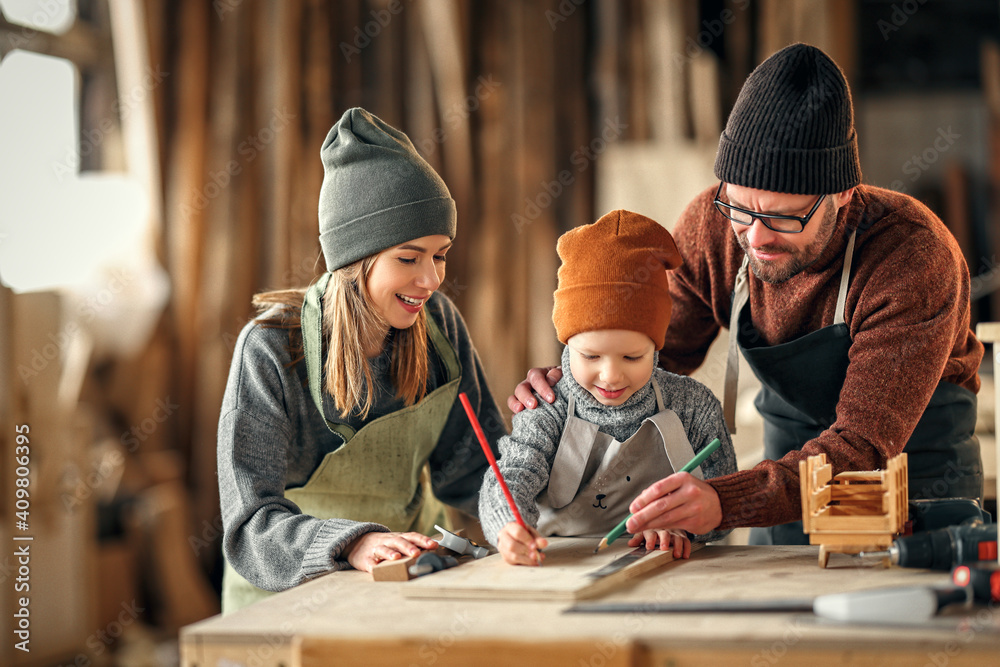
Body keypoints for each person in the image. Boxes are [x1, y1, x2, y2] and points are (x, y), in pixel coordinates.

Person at [512, 43, 984, 545]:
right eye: (740, 207)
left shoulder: (912, 255)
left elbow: (863, 445)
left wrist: (724, 500)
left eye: (783, 217)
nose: (755, 238)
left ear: (843, 193)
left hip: (911, 478)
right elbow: (654, 360)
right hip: (782, 471)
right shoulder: (712, 228)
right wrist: (574, 384)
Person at [217, 108, 505, 612]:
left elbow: (477, 470)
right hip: (285, 599)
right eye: (409, 258)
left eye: (440, 255)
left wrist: (536, 494)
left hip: (408, 584)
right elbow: (251, 525)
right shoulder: (268, 351)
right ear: (356, 258)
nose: (432, 280)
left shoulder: (440, 327)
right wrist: (351, 543)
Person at [480, 210, 737, 566]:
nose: (611, 376)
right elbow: (513, 475)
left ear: (657, 348)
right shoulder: (547, 406)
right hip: (558, 568)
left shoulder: (694, 406)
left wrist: (686, 528)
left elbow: (728, 500)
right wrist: (509, 526)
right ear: (567, 346)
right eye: (590, 356)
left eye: (632, 357)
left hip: (671, 571)